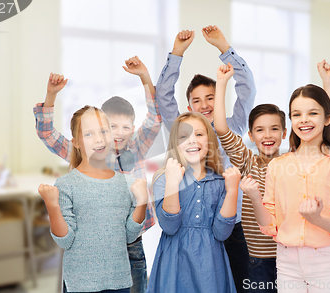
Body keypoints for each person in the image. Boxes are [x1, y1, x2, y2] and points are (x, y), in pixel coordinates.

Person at [33, 56, 161, 293]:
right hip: (88, 252)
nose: (116, 134)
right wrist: (51, 96)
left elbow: (154, 119)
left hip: (130, 242)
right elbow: (48, 134)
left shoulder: (137, 146)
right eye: (108, 127)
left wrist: (144, 76)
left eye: (125, 127)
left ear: (132, 129)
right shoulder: (88, 153)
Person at [214, 61, 330, 292]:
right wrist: (222, 83)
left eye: (274, 129)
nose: (267, 135)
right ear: (250, 134)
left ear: (283, 132)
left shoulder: (294, 160)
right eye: (260, 130)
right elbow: (221, 128)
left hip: (291, 255)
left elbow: (326, 130)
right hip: (257, 259)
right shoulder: (247, 161)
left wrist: (327, 82)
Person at [156, 25, 255, 292]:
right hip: (189, 229)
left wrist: (224, 48)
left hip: (229, 225)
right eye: (197, 101)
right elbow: (163, 97)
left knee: (238, 283)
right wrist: (177, 53)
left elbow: (247, 90)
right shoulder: (182, 130)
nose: (205, 105)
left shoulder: (231, 128)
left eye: (211, 97)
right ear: (188, 108)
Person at [244, 84, 330, 293]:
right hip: (286, 261)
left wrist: (318, 219)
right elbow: (269, 224)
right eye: (297, 114)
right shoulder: (277, 166)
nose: (304, 119)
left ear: (327, 119)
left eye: (312, 113)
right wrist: (254, 198)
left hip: (325, 260)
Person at [38, 105, 147, 293]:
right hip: (80, 285)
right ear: (76, 143)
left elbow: (129, 236)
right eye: (89, 134)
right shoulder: (66, 184)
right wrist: (52, 206)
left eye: (104, 131)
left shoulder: (126, 183)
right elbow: (65, 240)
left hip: (119, 282)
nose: (98, 139)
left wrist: (142, 202)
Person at [147, 112, 242, 293]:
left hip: (210, 267)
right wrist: (173, 183)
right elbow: (169, 226)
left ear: (210, 140)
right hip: (174, 264)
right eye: (184, 136)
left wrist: (232, 191)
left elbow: (222, 233)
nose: (192, 140)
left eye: (199, 134)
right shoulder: (164, 178)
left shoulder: (220, 182)